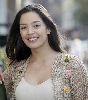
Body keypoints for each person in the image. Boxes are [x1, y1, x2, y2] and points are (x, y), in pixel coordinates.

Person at [3, 3, 88, 100]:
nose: (30, 32)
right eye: (23, 27)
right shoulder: (14, 69)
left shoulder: (72, 65)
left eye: (36, 25)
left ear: (48, 29)